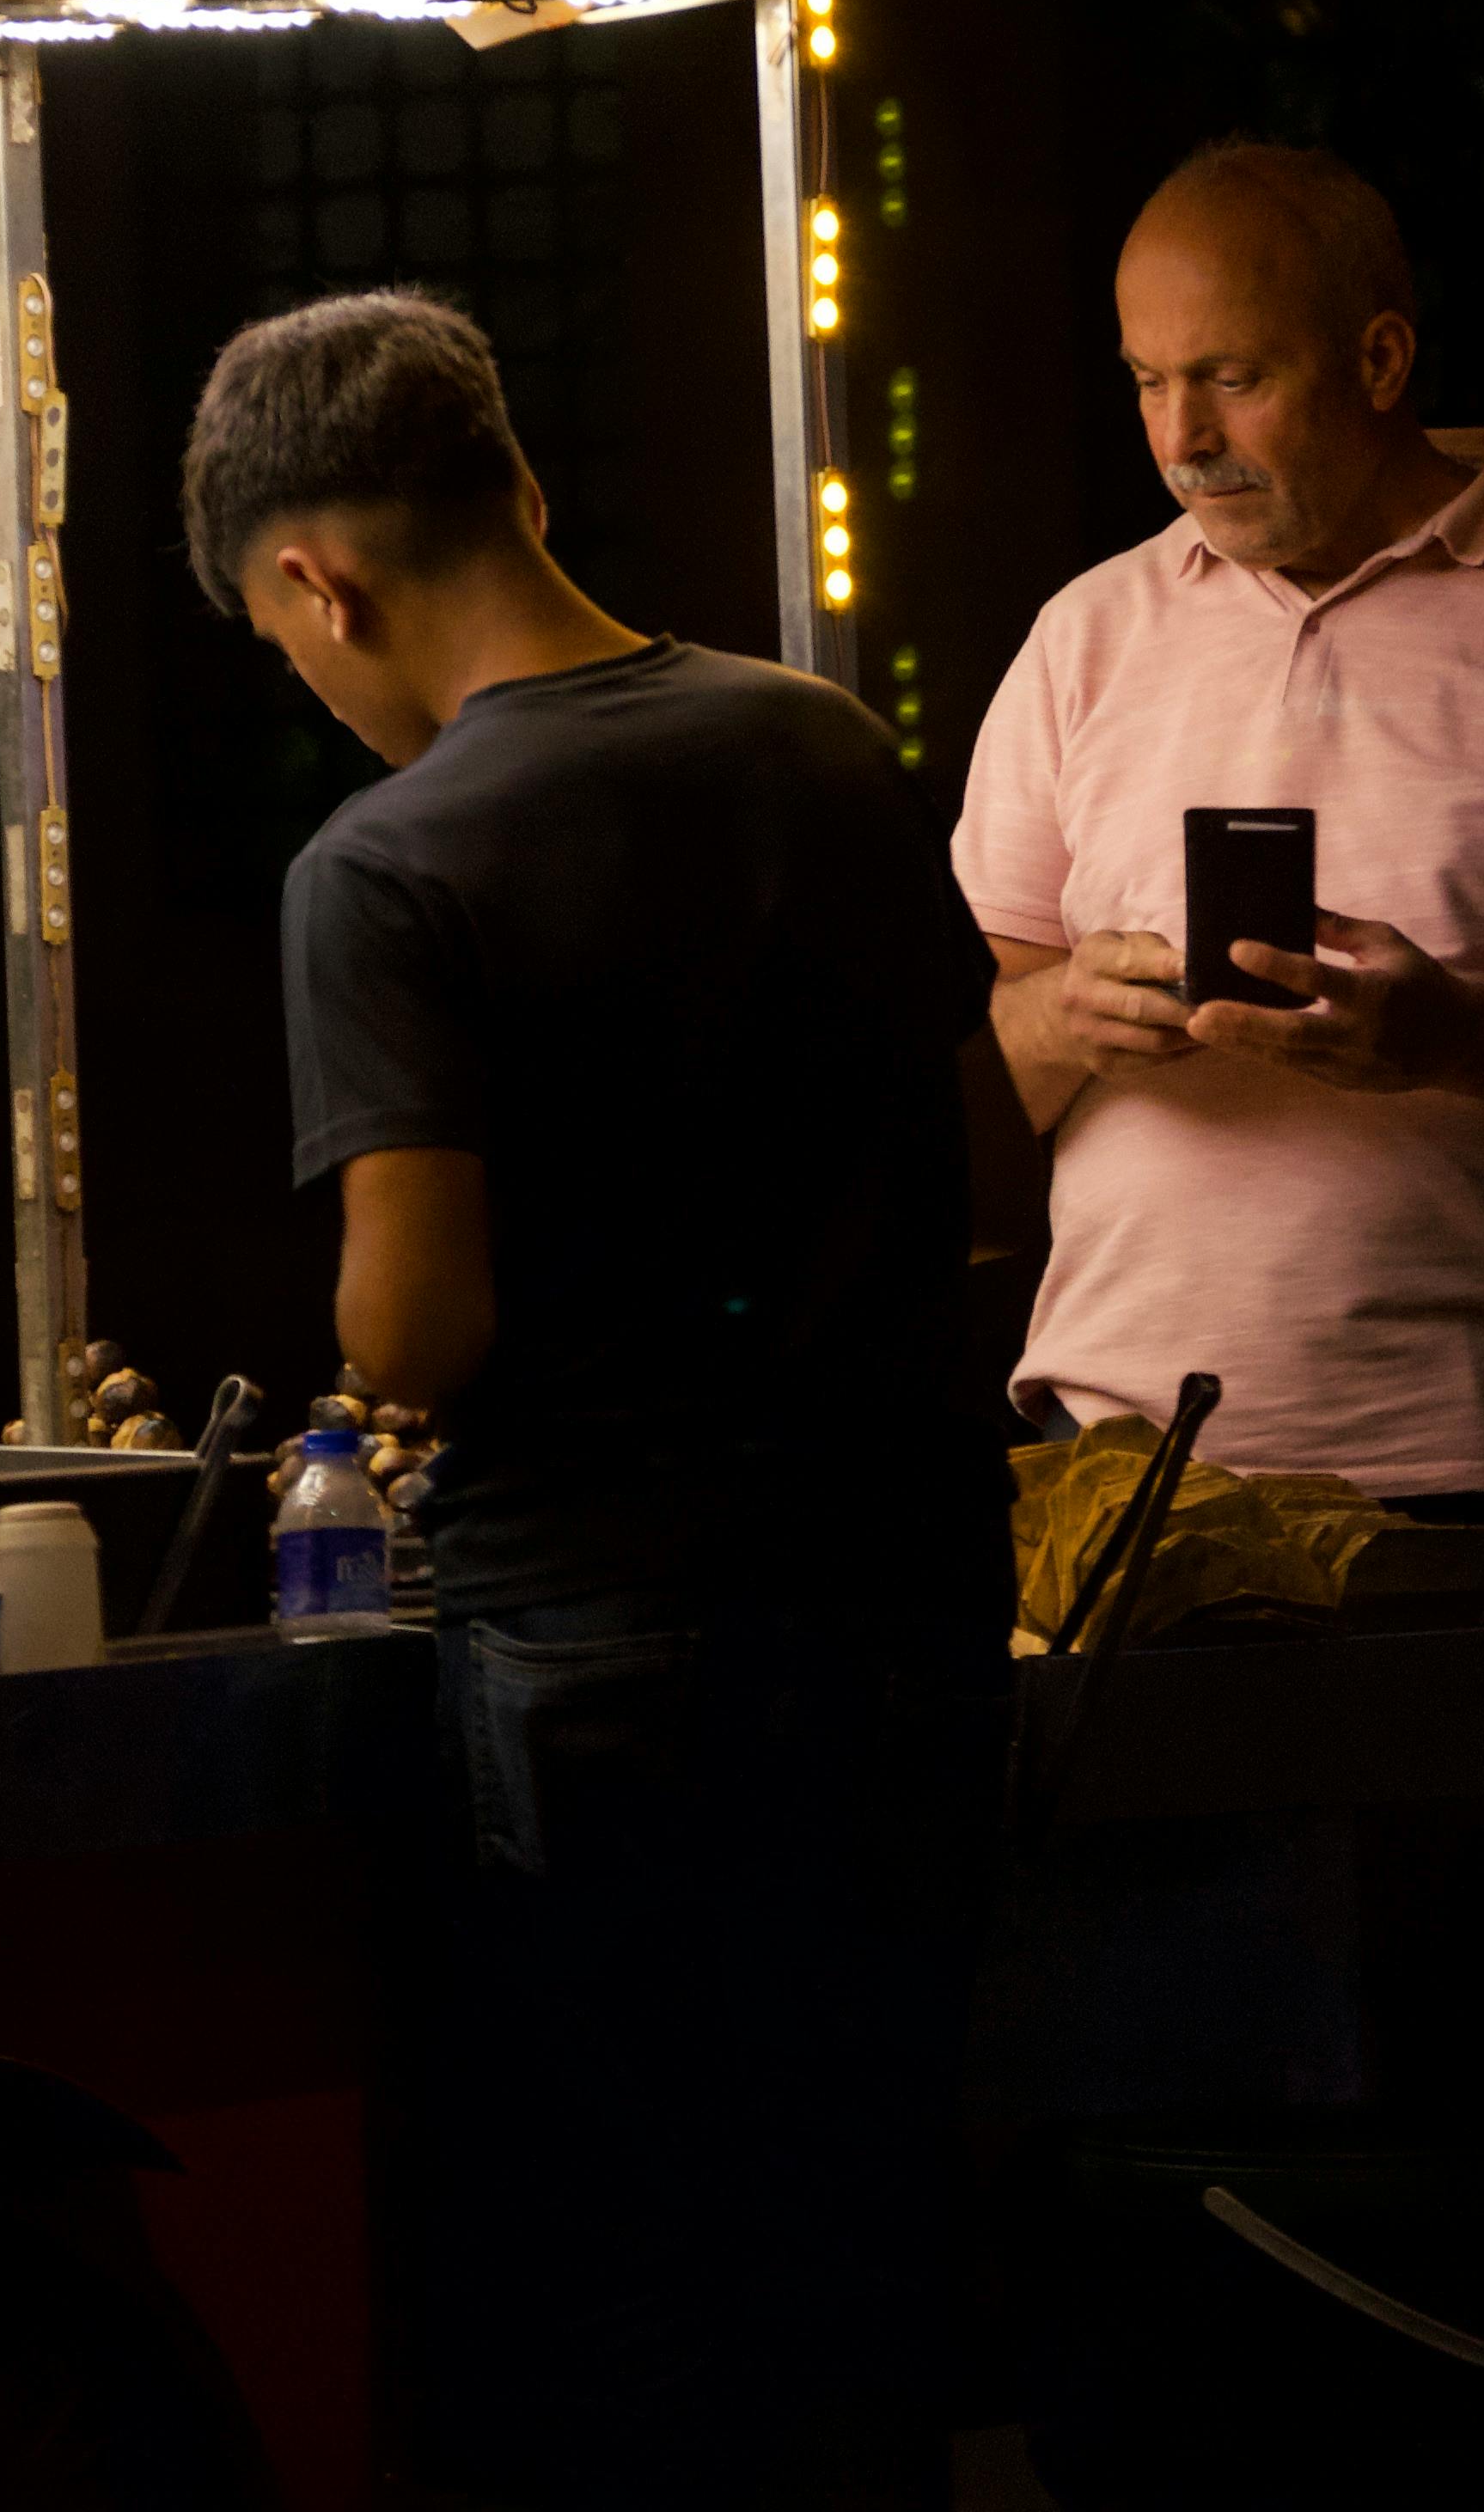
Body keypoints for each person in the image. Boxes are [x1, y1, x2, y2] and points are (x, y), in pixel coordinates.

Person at [952, 138, 1484, 2406]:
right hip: (1135, 1520)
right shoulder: (1088, 639)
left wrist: (1459, 1032)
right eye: (1147, 384)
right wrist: (1060, 1017)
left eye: (1229, 376)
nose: (1180, 437)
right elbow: (954, 1053)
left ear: (1380, 355)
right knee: (1180, 2136)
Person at [182, 285, 1013, 2512]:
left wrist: (370, 1348)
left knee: (620, 2266)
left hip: (606, 1645)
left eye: (297, 656)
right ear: (520, 488)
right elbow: (979, 1136)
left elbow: (419, 1328)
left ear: (315, 581)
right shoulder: (820, 742)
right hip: (910, 1602)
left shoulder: (381, 869)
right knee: (857, 2224)